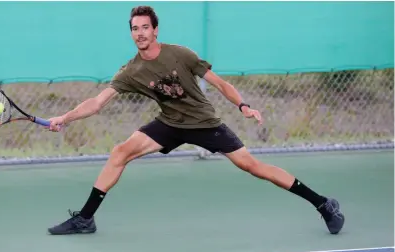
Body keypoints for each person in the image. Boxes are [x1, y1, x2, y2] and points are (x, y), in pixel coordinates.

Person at [46, 6, 344, 235]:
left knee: (254, 167)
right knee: (119, 152)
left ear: (156, 30)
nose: (140, 33)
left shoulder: (180, 54)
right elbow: (97, 102)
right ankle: (85, 219)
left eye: (145, 28)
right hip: (170, 124)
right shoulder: (131, 71)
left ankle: (323, 203)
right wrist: (65, 117)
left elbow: (218, 83)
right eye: (135, 29)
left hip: (205, 123)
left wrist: (243, 105)